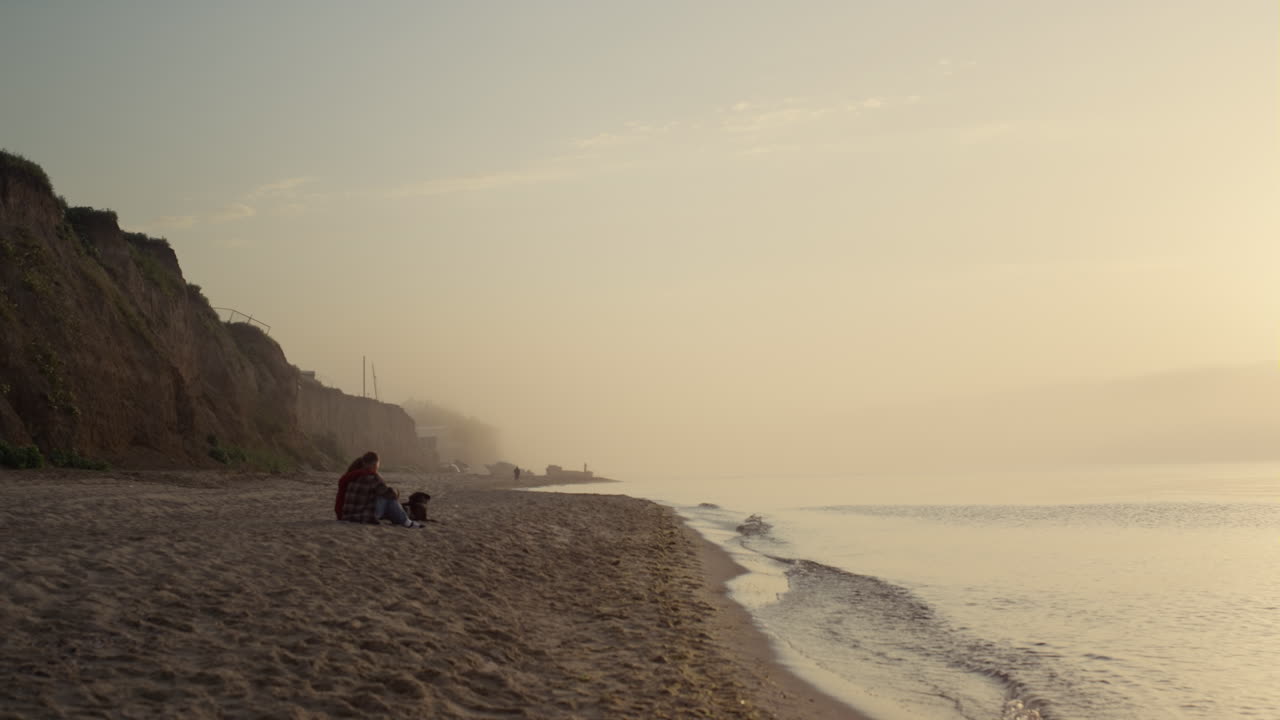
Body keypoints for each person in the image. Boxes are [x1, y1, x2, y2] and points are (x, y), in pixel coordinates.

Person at [334, 451, 421, 528]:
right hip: (363, 517)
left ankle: (404, 520)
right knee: (388, 499)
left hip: (347, 516)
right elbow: (391, 495)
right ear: (375, 464)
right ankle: (406, 522)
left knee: (385, 500)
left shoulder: (351, 476)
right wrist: (396, 492)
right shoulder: (372, 476)